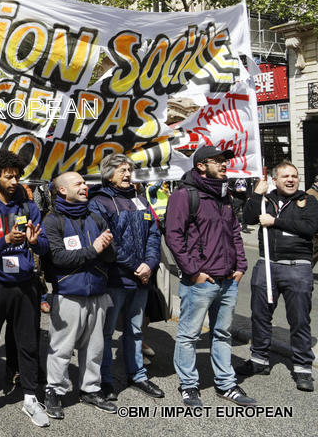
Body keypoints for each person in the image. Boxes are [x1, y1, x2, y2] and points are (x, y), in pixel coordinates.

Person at [165, 145, 256, 407]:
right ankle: (189, 385)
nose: (224, 164)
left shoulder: (223, 196)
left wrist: (240, 266)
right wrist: (194, 272)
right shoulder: (184, 196)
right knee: (188, 335)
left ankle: (226, 384)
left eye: (224, 160)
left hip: (228, 280)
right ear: (201, 166)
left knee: (223, 334)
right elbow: (173, 237)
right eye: (217, 160)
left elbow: (234, 234)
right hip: (201, 283)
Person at [0, 151, 49, 428]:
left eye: (17, 176)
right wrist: (5, 240)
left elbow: (44, 246)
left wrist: (35, 241)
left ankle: (30, 397)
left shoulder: (28, 207)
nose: (14, 181)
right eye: (9, 176)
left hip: (25, 285)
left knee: (28, 345)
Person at [87, 154, 163, 401]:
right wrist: (135, 266)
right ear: (109, 174)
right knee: (107, 332)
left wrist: (149, 264)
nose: (128, 174)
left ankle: (137, 374)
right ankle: (106, 379)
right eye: (122, 170)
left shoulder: (141, 200)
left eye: (129, 169)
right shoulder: (99, 202)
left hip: (141, 278)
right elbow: (107, 241)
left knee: (136, 330)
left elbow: (154, 232)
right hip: (115, 279)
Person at [42, 171, 117, 418]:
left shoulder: (96, 217)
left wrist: (104, 249)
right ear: (62, 190)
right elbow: (58, 258)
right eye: (79, 183)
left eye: (85, 183)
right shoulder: (52, 220)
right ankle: (54, 391)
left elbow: (111, 255)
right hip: (69, 295)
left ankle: (90, 389)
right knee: (61, 348)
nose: (85, 186)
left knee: (94, 348)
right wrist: (93, 249)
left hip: (97, 293)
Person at [238, 162, 318, 391]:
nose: (291, 180)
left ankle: (303, 368)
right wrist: (255, 195)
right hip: (267, 265)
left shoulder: (308, 200)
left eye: (294, 176)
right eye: (285, 176)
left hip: (298, 267)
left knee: (300, 319)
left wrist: (276, 222)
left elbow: (310, 227)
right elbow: (250, 218)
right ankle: (259, 360)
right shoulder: (266, 200)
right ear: (275, 179)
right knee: (260, 316)